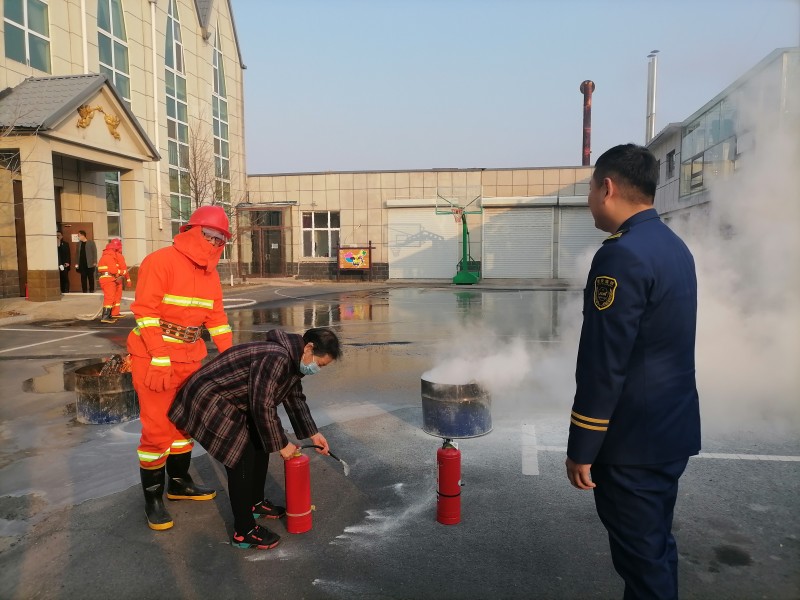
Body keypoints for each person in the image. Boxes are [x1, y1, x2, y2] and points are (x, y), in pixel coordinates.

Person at [565, 144, 700, 600]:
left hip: (632, 445)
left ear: (607, 188)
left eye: (589, 189)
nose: (589, 200)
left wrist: (582, 447)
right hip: (669, 433)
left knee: (643, 566)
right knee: (655, 551)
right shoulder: (673, 246)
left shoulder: (621, 255)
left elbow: (605, 363)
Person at [168, 327, 341, 550]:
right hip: (210, 398)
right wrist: (282, 443)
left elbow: (295, 398)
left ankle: (255, 503)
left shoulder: (292, 359)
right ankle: (244, 531)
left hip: (233, 400)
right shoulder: (277, 357)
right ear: (309, 348)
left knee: (260, 441)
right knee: (241, 455)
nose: (317, 369)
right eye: (320, 364)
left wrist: (313, 433)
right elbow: (262, 405)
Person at [127, 205, 233, 531]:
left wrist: (232, 357)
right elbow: (145, 312)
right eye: (209, 236)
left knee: (184, 424)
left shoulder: (210, 274)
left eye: (220, 240)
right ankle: (153, 500)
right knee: (157, 430)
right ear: (191, 231)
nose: (213, 244)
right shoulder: (160, 261)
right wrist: (159, 355)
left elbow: (216, 318)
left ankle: (179, 483)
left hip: (189, 357)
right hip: (153, 357)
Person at [97, 238, 132, 323]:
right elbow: (114, 270)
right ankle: (105, 317)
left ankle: (109, 315)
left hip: (109, 279)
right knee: (109, 298)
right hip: (109, 279)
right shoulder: (109, 257)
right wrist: (124, 273)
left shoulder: (105, 257)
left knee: (111, 297)